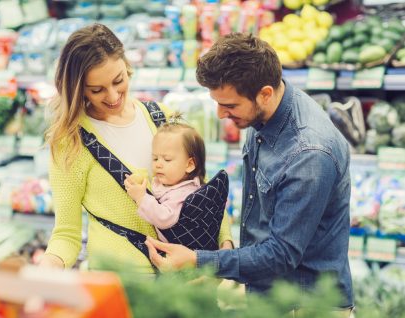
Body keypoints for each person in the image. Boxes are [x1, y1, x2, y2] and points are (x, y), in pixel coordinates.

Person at [145, 32, 354, 313]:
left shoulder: (309, 154)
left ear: (265, 94)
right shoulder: (264, 114)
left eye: (229, 105)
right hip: (268, 296)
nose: (220, 114)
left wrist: (200, 260)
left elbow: (281, 254)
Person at [39, 23, 233, 272]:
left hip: (187, 279)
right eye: (97, 90)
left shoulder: (163, 117)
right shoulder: (71, 143)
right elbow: (66, 234)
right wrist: (45, 269)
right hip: (123, 282)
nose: (112, 96)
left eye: (118, 81)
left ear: (127, 67)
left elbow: (206, 196)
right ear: (78, 89)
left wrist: (222, 254)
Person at [124, 113, 229, 249]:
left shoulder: (183, 193)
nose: (158, 164)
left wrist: (141, 197)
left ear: (190, 164)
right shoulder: (171, 183)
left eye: (167, 159)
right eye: (155, 158)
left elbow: (164, 218)